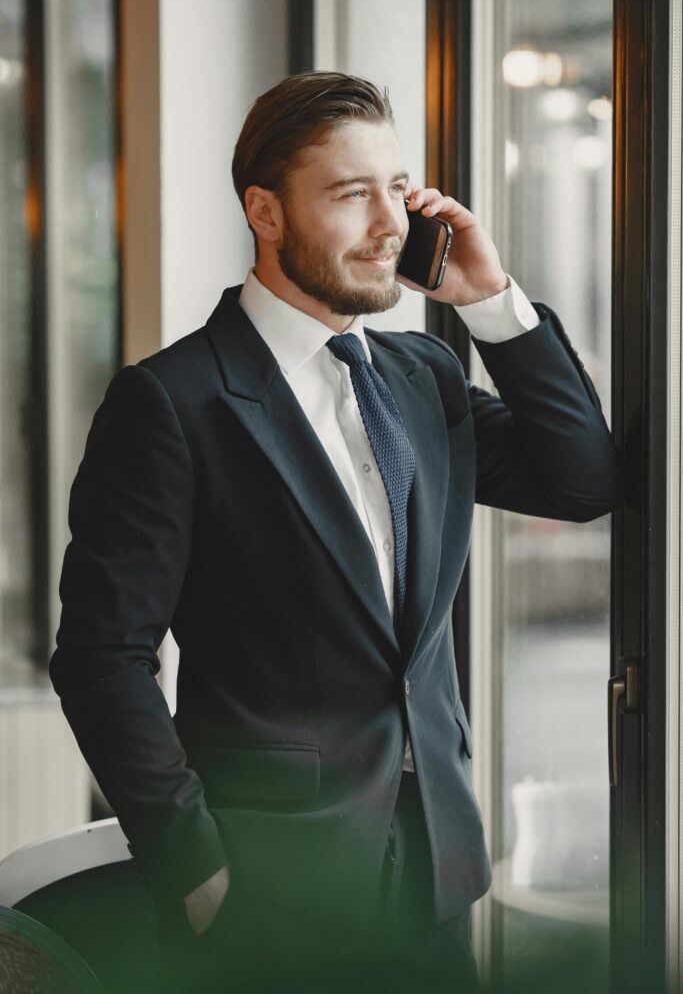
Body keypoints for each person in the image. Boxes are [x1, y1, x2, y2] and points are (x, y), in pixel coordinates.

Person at [49, 71, 623, 993]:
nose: (389, 223)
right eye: (351, 194)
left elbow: (582, 480)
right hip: (263, 898)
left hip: (435, 878)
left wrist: (488, 300)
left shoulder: (423, 375)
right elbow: (101, 655)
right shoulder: (170, 403)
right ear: (265, 213)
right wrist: (196, 869)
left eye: (395, 189)